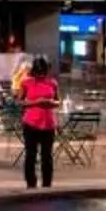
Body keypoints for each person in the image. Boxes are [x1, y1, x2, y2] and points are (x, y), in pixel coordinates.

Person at [17, 57, 61, 189]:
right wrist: (36, 102)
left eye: (44, 71)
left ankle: (47, 183)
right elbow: (20, 102)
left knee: (47, 155)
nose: (41, 74)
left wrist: (51, 103)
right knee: (31, 154)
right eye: (39, 72)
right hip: (31, 123)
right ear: (34, 71)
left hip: (48, 123)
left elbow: (58, 101)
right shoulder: (26, 83)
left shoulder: (52, 83)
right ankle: (31, 183)